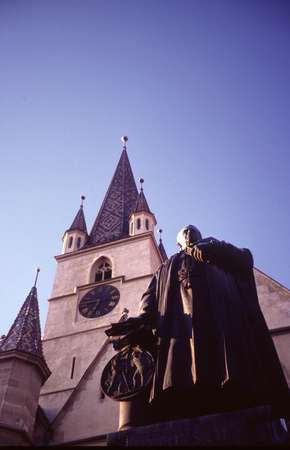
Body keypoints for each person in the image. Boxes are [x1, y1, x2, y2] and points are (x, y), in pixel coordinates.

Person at [106, 225, 290, 424]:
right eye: (184, 233)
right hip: (180, 329)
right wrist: (140, 319)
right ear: (178, 244)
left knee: (226, 369)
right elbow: (149, 299)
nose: (188, 232)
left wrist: (215, 249)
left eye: (191, 230)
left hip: (221, 324)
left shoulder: (219, 250)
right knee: (180, 373)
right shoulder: (165, 267)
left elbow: (245, 260)